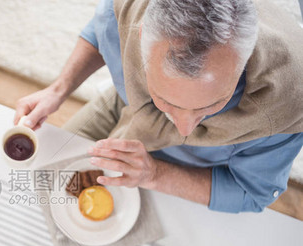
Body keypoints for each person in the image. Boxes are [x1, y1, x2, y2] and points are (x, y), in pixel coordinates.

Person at [15, 0, 303, 213]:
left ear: (247, 57)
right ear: (138, 37)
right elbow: (102, 27)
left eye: (213, 104)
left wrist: (155, 174)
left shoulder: (288, 105)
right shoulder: (129, 10)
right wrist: (59, 88)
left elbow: (251, 193)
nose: (185, 128)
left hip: (198, 172)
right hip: (123, 108)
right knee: (42, 186)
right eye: (165, 101)